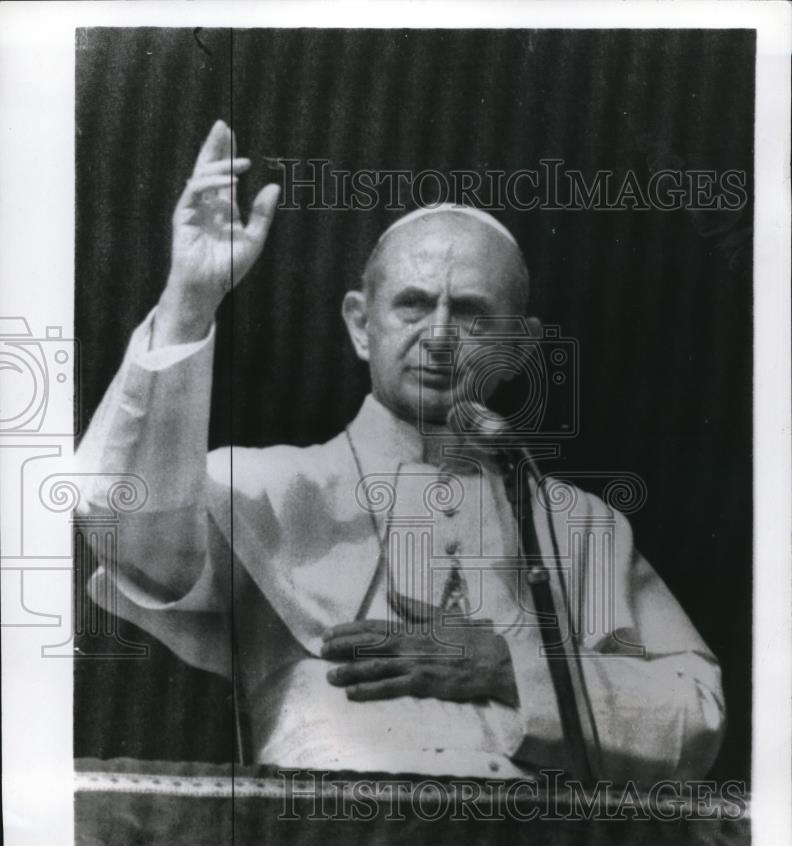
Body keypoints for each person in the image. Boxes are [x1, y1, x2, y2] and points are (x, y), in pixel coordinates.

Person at [76, 120, 725, 782]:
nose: (440, 336)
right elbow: (130, 538)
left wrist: (509, 668)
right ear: (362, 325)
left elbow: (699, 714)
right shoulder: (264, 485)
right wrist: (188, 303)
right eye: (412, 306)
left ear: (520, 346)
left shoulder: (583, 524)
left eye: (470, 312)